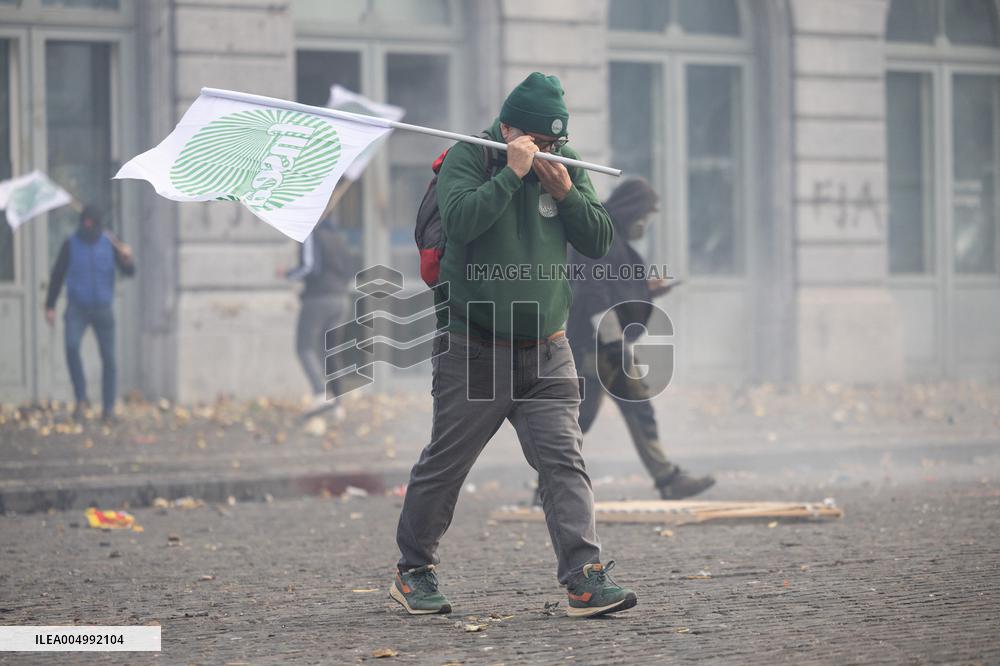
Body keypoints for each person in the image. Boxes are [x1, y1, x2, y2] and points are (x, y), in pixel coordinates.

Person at [390, 72, 637, 619]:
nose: (551, 151)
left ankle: (583, 578)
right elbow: (461, 221)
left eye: (556, 143)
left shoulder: (565, 166)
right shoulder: (469, 158)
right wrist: (512, 174)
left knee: (563, 463)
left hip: (548, 350)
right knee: (446, 465)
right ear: (508, 129)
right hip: (476, 350)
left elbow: (599, 240)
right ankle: (414, 569)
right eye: (539, 142)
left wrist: (566, 191)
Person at [533, 178, 715, 505]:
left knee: (600, 413)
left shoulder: (609, 235)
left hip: (600, 342)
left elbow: (611, 286)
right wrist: (614, 343)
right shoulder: (601, 234)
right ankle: (666, 479)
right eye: (647, 212)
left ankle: (664, 478)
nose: (646, 222)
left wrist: (645, 290)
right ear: (635, 210)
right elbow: (592, 292)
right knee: (606, 413)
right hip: (599, 343)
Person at [45, 206, 135, 423]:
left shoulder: (110, 243)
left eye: (91, 222)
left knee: (109, 359)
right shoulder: (70, 244)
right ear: (81, 222)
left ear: (96, 223)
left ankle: (108, 408)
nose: (87, 226)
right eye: (84, 222)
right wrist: (50, 305)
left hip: (103, 308)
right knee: (71, 346)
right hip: (77, 308)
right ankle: (81, 399)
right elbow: (57, 274)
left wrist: (127, 258)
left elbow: (130, 272)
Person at [283, 212, 353, 419]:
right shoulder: (338, 237)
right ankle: (337, 406)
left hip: (319, 298)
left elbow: (309, 267)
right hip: (341, 300)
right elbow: (350, 270)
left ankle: (320, 393)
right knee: (330, 352)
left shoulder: (311, 234)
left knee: (304, 347)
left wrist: (287, 274)